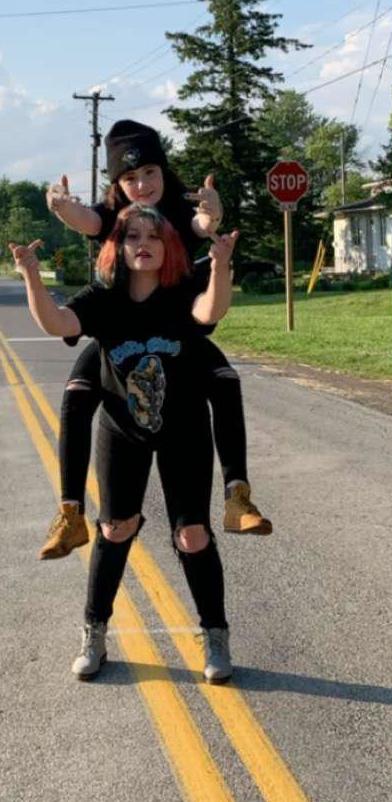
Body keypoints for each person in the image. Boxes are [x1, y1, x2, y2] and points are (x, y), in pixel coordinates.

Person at [10, 204, 239, 683]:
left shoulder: (182, 291)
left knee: (192, 535)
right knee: (115, 529)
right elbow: (57, 323)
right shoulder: (104, 298)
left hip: (184, 431)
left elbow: (210, 311)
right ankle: (94, 632)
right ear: (118, 245)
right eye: (132, 235)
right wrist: (31, 275)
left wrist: (219, 266)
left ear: (168, 246)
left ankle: (215, 634)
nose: (143, 244)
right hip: (121, 431)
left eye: (153, 236)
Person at [41, 119, 270, 561]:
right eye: (129, 178)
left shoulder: (180, 210)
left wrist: (214, 211)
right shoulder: (113, 214)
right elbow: (86, 220)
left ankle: (238, 495)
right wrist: (61, 207)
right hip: (119, 327)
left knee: (225, 381)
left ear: (164, 170)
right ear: (117, 183)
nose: (142, 185)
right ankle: (70, 511)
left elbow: (204, 223)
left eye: (149, 172)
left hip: (178, 327)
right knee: (77, 393)